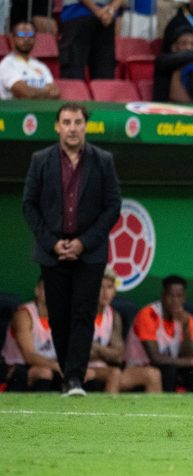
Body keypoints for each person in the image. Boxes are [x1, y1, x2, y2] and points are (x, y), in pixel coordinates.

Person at [22, 103, 122, 397]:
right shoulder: (40, 160)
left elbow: (113, 205)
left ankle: (75, 379)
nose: (72, 127)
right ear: (57, 126)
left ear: (85, 126)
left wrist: (83, 242)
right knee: (58, 315)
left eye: (78, 122)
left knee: (83, 312)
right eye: (66, 122)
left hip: (89, 252)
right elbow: (29, 204)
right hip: (52, 250)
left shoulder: (103, 160)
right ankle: (69, 374)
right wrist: (52, 242)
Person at [125, 275, 193, 392]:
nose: (175, 301)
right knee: (170, 368)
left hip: (167, 367)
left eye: (179, 296)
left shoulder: (186, 318)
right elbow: (155, 358)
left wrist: (186, 328)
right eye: (171, 296)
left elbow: (188, 354)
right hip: (139, 369)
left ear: (184, 298)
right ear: (163, 296)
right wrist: (192, 362)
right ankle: (167, 407)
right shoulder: (148, 314)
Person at [1, 277, 61, 391]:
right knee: (44, 372)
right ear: (37, 291)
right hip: (15, 369)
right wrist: (58, 366)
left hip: (49, 364)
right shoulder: (24, 315)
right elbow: (29, 356)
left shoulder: (60, 317)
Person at [83, 268, 125, 393]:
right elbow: (78, 353)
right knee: (114, 373)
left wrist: (96, 347)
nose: (105, 292)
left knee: (150, 374)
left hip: (101, 368)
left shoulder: (113, 315)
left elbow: (118, 356)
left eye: (110, 287)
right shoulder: (81, 313)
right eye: (100, 287)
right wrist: (106, 353)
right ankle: (109, 411)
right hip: (78, 369)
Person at [58, 0, 121, 79]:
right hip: (77, 14)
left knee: (104, 77)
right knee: (73, 76)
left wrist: (110, 10)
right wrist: (104, 12)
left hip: (104, 18)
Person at [0, 22, 59, 100]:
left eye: (30, 35)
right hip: (16, 110)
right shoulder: (7, 64)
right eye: (21, 35)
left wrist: (34, 92)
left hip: (39, 109)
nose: (26, 39)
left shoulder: (41, 65)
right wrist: (45, 92)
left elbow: (55, 92)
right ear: (12, 38)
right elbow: (25, 93)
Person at [153, 26, 193, 102]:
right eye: (184, 43)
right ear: (174, 47)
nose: (188, 47)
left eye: (192, 44)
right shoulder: (163, 60)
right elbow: (181, 58)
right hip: (166, 109)